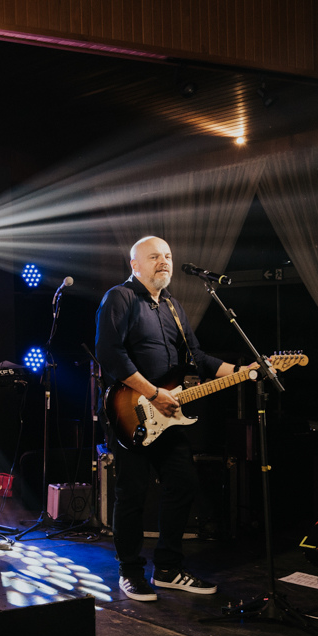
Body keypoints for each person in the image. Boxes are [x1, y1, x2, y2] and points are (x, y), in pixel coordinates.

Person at [95, 235, 249, 602]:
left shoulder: (173, 307)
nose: (163, 261)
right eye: (153, 257)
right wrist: (152, 393)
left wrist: (243, 371)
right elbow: (109, 353)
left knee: (183, 484)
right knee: (131, 494)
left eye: (167, 256)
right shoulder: (120, 297)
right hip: (130, 411)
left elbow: (199, 358)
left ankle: (167, 568)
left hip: (167, 415)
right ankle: (131, 571)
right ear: (135, 265)